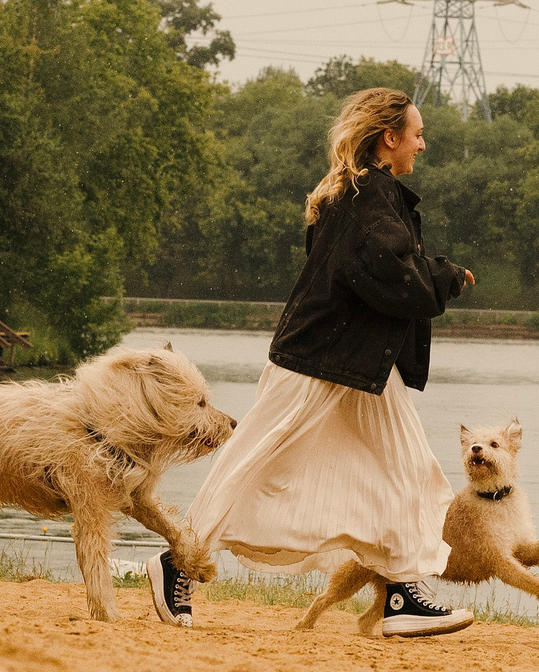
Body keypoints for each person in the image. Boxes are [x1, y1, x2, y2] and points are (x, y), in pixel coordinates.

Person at [148, 87, 477, 638]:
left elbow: (387, 269)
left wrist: (436, 274)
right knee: (252, 464)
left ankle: (400, 595)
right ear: (389, 138)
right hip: (317, 358)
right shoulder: (366, 197)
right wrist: (443, 279)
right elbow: (395, 279)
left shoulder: (368, 193)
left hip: (360, 362)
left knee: (407, 470)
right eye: (416, 134)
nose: (423, 143)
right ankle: (178, 563)